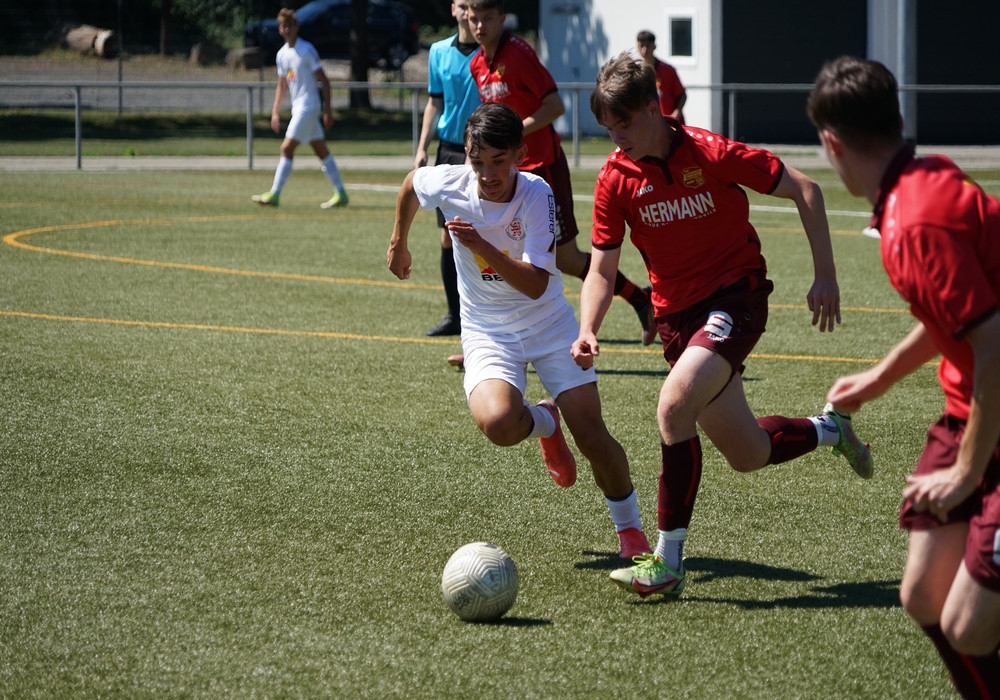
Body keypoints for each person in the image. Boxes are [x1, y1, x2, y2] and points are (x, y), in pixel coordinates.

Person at [572, 52, 872, 599]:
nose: (617, 137)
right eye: (608, 127)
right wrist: (588, 326)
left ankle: (667, 562)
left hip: (736, 298)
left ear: (654, 107)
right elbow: (601, 268)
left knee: (672, 407)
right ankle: (831, 428)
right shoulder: (616, 179)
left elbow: (806, 189)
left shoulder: (709, 152)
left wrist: (825, 276)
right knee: (747, 452)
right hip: (677, 319)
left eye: (624, 123)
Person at [808, 56, 1000, 698]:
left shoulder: (915, 222)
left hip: (990, 409)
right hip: (974, 409)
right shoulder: (919, 182)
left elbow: (995, 347)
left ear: (831, 142)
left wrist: (965, 475)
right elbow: (960, 319)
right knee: (922, 596)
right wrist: (880, 378)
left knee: (969, 624)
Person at [388, 102, 651, 559]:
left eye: (498, 161)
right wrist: (399, 241)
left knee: (592, 434)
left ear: (519, 155)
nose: (487, 173)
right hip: (488, 330)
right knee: (499, 424)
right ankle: (546, 421)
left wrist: (482, 246)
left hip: (548, 324)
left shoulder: (536, 193)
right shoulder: (450, 181)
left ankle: (631, 534)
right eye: (477, 161)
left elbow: (535, 284)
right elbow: (413, 183)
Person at [467, 0, 657, 346]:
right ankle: (491, 339)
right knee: (508, 251)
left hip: (542, 169)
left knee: (565, 259)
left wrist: (512, 136)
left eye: (487, 18)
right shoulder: (476, 63)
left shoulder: (518, 55)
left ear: (502, 19)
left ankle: (640, 299)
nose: (480, 25)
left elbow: (555, 105)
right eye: (474, 18)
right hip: (510, 172)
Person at [414, 1, 481, 338]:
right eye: (462, 5)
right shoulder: (438, 51)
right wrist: (422, 147)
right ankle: (455, 316)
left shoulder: (490, 52)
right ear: (453, 9)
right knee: (447, 235)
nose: (467, 12)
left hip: (480, 153)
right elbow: (434, 102)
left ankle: (482, 316)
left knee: (482, 233)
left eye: (472, 6)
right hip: (449, 150)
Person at [251, 8, 348, 209]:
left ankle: (274, 194)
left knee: (286, 148)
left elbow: (324, 81)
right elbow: (282, 85)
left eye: (290, 25)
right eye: (283, 26)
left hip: (309, 106)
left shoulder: (306, 50)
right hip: (299, 108)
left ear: (297, 27)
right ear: (280, 29)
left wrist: (328, 111)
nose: (286, 29)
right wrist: (275, 111)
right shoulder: (281, 55)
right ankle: (341, 193)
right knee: (320, 150)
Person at [636, 30, 686, 123]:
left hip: (670, 123)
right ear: (637, 47)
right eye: (641, 46)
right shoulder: (637, 73)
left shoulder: (668, 70)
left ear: (654, 46)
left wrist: (677, 112)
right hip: (649, 124)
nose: (644, 49)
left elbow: (682, 95)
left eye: (648, 45)